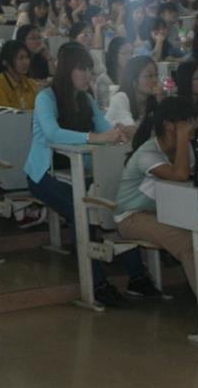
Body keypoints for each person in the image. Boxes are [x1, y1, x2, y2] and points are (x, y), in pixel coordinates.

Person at [23, 43, 154, 308]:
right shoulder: (46, 97)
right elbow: (52, 133)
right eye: (82, 69)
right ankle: (97, 283)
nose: (88, 75)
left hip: (79, 172)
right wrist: (95, 137)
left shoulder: (86, 99)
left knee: (118, 203)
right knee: (81, 211)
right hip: (44, 174)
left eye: (89, 70)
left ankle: (137, 277)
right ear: (67, 71)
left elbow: (104, 127)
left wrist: (119, 132)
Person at [114, 96, 198, 338]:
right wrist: (182, 139)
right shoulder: (147, 153)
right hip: (132, 217)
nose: (193, 125)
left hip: (168, 212)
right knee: (189, 244)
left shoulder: (184, 149)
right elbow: (179, 176)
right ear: (169, 125)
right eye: (187, 121)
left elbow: (194, 177)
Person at [105, 54, 160, 127]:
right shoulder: (120, 98)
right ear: (133, 80)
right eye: (149, 76)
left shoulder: (152, 100)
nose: (155, 80)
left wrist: (160, 102)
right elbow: (131, 129)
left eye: (156, 75)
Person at [0, 39, 38, 110]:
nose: (26, 62)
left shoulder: (31, 84)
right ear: (6, 62)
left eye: (27, 57)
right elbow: (5, 114)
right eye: (20, 58)